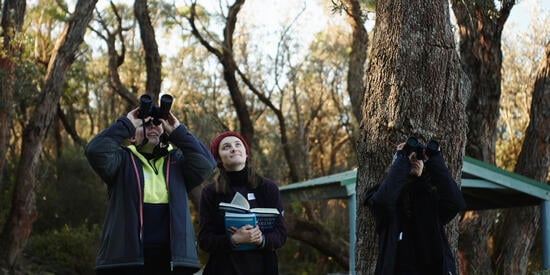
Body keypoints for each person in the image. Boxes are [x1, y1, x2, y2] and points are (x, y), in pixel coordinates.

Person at [85, 94, 215, 275]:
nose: (153, 126)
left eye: (158, 124)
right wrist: (127, 123)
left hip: (172, 261)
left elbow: (207, 164)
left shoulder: (178, 163)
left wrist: (177, 130)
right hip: (126, 261)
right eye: (146, 124)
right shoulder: (120, 162)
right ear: (131, 137)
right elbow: (95, 150)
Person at [365, 137, 466, 275]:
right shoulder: (381, 194)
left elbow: (455, 203)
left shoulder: (431, 196)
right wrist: (402, 159)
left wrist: (434, 159)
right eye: (410, 159)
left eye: (417, 159)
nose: (414, 161)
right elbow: (383, 202)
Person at [198, 131, 287, 275]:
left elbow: (281, 234)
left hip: (262, 267)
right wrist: (233, 240)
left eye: (238, 144)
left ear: (246, 154)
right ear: (219, 159)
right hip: (223, 268)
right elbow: (204, 240)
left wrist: (261, 239)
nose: (233, 148)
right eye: (226, 147)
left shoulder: (268, 188)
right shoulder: (210, 193)